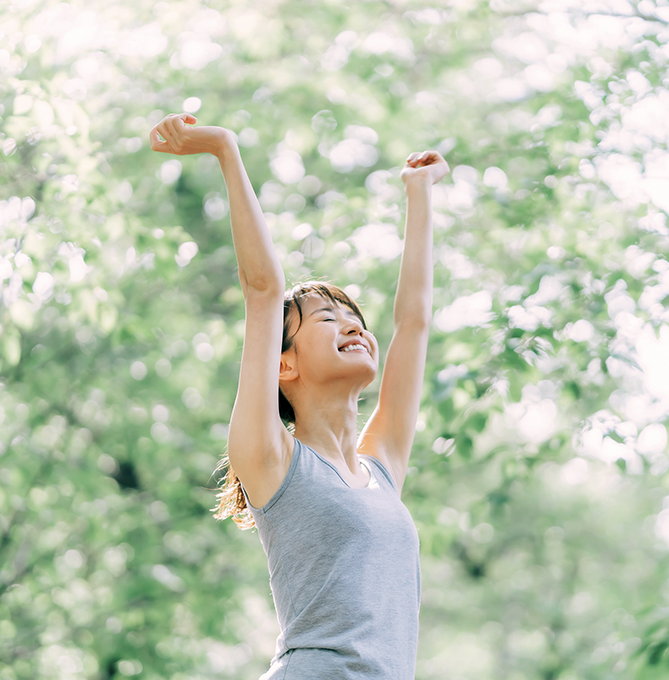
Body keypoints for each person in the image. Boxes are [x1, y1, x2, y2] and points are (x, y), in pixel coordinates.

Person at [150, 112, 449, 679]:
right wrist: (224, 149)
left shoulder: (381, 468)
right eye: (327, 319)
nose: (353, 326)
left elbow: (414, 323)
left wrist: (420, 194)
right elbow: (263, 290)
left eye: (355, 318)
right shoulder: (274, 462)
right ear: (283, 363)